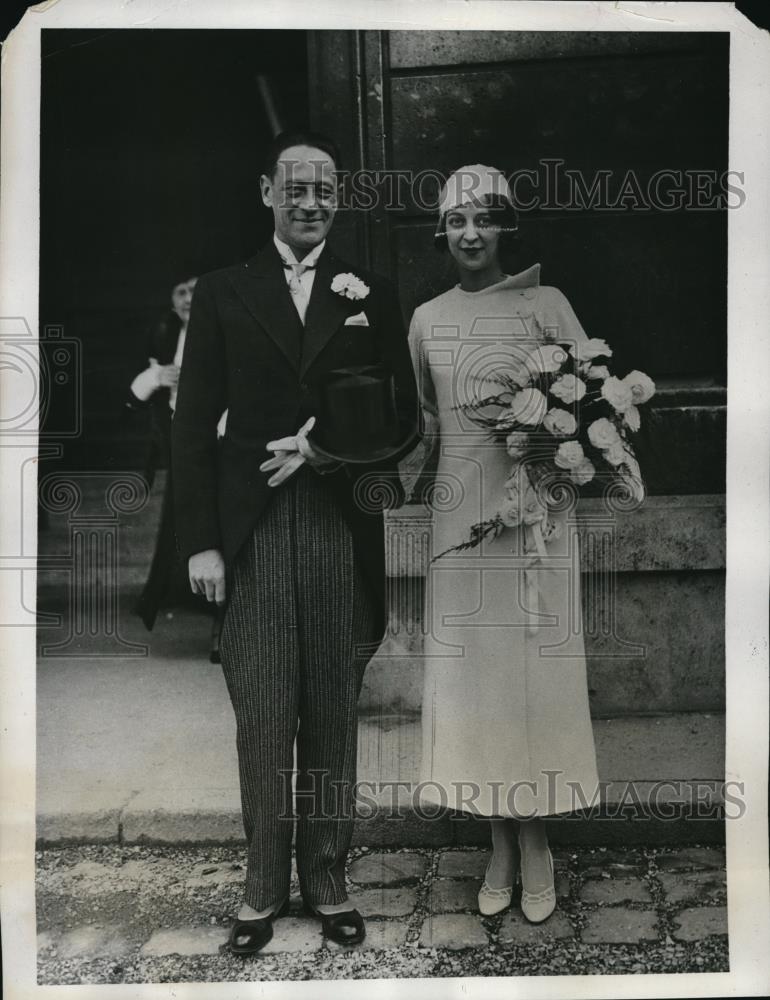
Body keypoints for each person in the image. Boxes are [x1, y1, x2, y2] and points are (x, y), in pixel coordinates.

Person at [171, 131, 418, 954]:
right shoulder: (222, 292)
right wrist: (200, 544)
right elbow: (192, 433)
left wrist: (323, 450)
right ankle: (260, 886)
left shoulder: (372, 294)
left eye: (324, 189)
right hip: (252, 530)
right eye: (295, 188)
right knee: (265, 711)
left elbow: (401, 421)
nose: (310, 202)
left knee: (331, 710)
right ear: (268, 194)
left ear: (338, 197)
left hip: (337, 525)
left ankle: (328, 877)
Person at [407, 165, 599, 923]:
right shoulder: (426, 317)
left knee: (534, 679)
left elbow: (591, 397)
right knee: (479, 683)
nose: (471, 234)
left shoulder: (545, 303)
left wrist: (560, 452)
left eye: (484, 219)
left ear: (505, 226)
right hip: (462, 524)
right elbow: (428, 419)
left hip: (537, 522)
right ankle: (497, 840)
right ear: (442, 233)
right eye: (457, 222)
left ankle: (539, 838)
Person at [125, 275, 226, 660]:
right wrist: (157, 376)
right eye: (181, 292)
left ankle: (223, 624)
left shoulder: (224, 330)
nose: (189, 298)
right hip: (182, 446)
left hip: (222, 440)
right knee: (182, 526)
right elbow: (132, 396)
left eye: (197, 291)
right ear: (171, 302)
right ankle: (186, 601)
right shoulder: (165, 335)